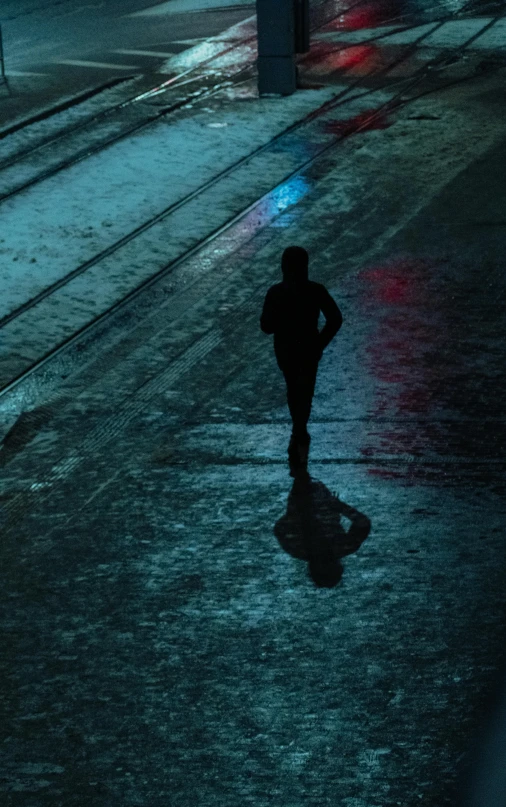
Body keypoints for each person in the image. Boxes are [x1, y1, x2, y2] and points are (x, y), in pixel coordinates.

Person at [260, 246, 343, 470]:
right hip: (308, 349)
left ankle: (298, 433)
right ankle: (299, 433)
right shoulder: (315, 290)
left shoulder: (275, 292)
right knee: (305, 391)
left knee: (293, 390)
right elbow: (335, 318)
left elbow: (266, 326)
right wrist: (320, 342)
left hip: (286, 350)